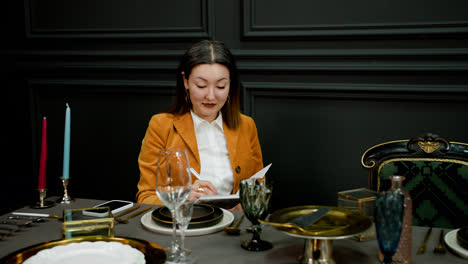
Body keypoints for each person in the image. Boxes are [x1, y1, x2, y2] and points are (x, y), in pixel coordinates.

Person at [136, 40, 264, 209]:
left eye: (220, 86)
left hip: (233, 228)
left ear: (230, 84)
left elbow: (259, 192)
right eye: (201, 85)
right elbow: (145, 196)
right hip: (187, 226)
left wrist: (241, 207)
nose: (211, 96)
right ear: (186, 81)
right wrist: (183, 199)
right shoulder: (161, 125)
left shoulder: (247, 125)